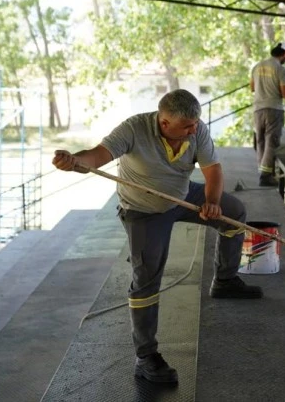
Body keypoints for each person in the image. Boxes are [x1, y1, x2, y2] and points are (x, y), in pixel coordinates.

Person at [52, 89, 262, 385]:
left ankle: (225, 280)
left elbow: (213, 170)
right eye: (187, 127)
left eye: (195, 125)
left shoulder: (196, 129)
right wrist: (75, 160)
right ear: (164, 123)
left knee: (234, 212)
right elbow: (97, 155)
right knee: (147, 276)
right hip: (143, 209)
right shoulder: (133, 128)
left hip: (181, 195)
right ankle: (145, 356)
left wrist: (212, 201)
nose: (194, 130)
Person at [250, 41, 285, 186]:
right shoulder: (281, 70)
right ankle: (266, 175)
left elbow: (252, 88)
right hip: (273, 109)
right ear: (284, 55)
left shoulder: (256, 66)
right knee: (271, 141)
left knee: (261, 140)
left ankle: (262, 171)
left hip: (257, 109)